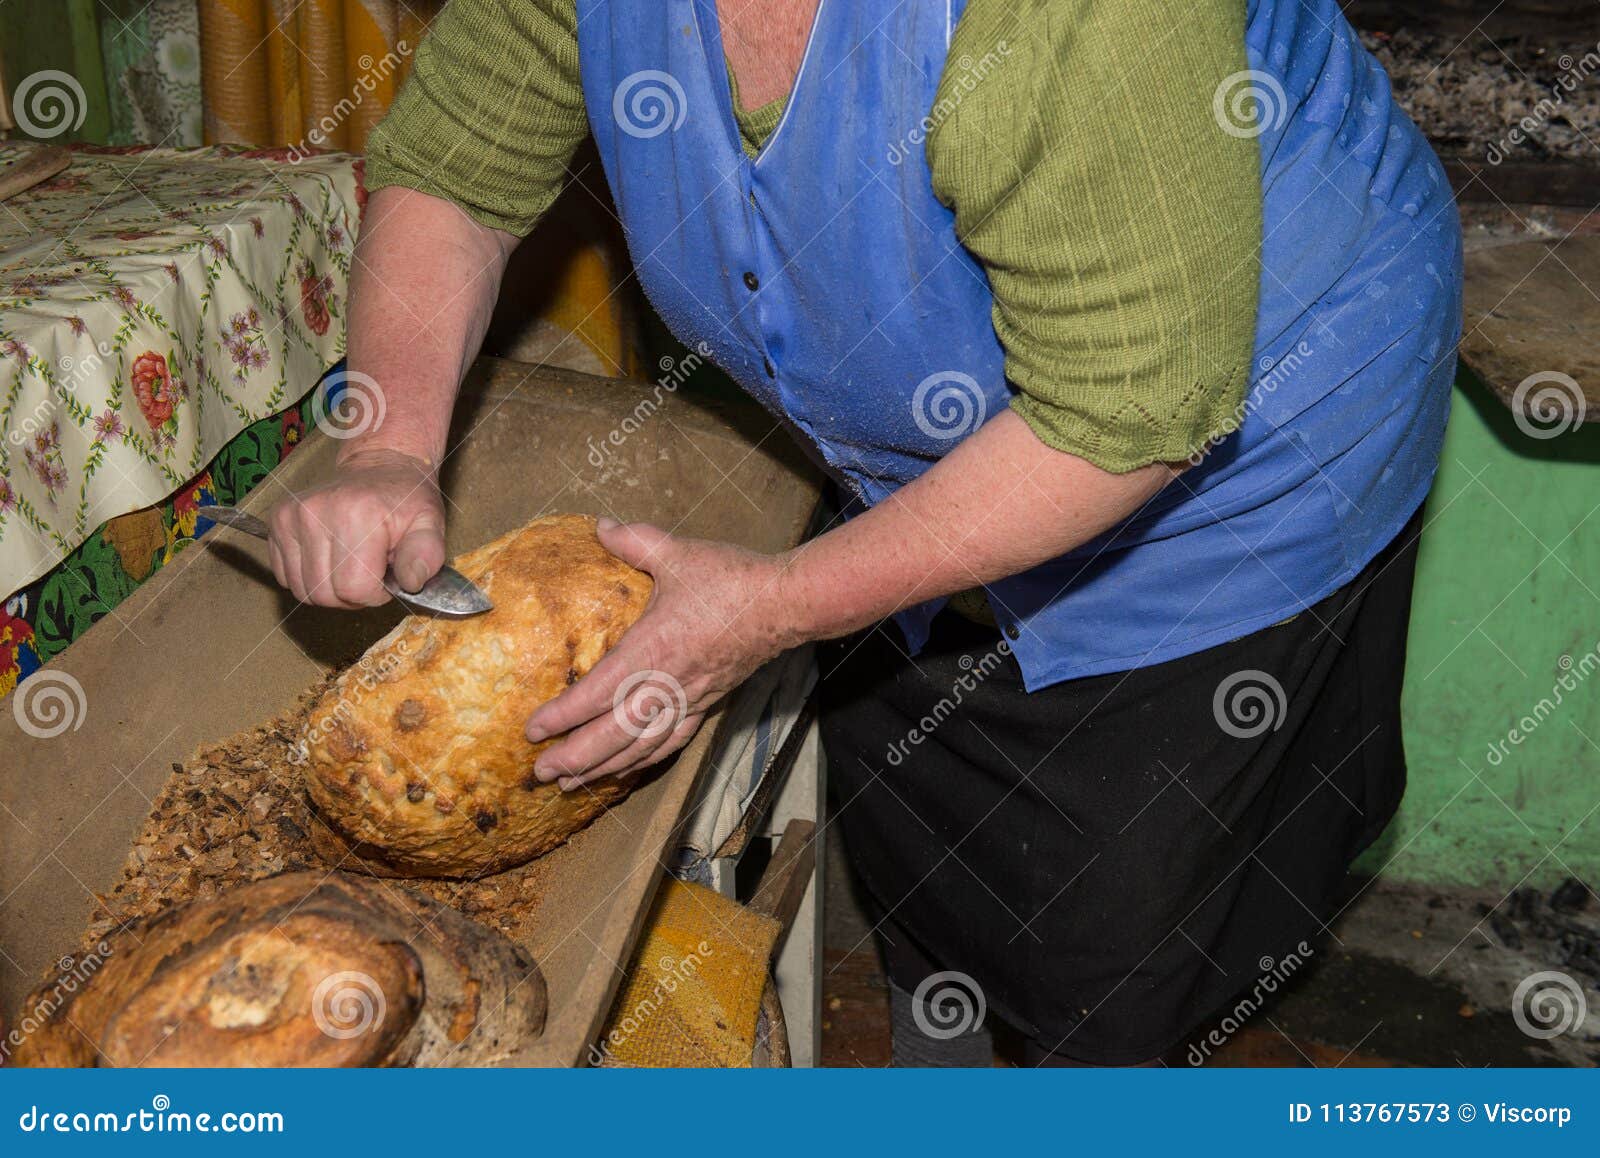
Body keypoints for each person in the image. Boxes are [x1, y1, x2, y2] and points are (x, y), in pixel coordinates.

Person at [266, 0, 1462, 1065]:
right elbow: (461, 178)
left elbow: (1125, 414)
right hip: (929, 444)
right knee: (924, 804)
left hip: (1237, 437)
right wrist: (388, 444)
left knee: (1119, 924)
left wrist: (777, 606)